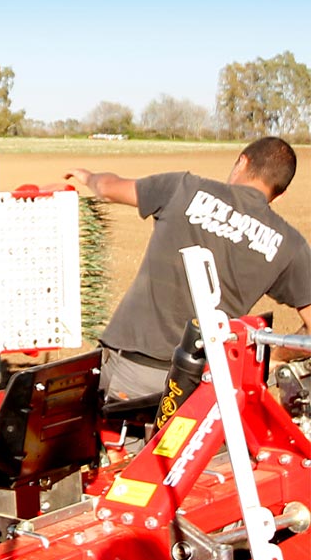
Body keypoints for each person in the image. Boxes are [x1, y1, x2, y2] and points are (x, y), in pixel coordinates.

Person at [65, 136, 311, 403]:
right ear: (281, 194)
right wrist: (274, 356)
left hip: (134, 373)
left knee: (116, 440)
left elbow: (109, 188)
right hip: (203, 386)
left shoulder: (184, 188)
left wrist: (88, 177)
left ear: (242, 162)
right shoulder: (289, 245)